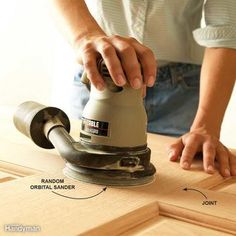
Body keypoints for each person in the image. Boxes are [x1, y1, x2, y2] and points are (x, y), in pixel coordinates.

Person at [49, 0, 236, 177]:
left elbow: (226, 26)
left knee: (182, 178)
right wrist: (85, 37)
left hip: (180, 93)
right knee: (82, 173)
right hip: (100, 75)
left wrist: (205, 126)